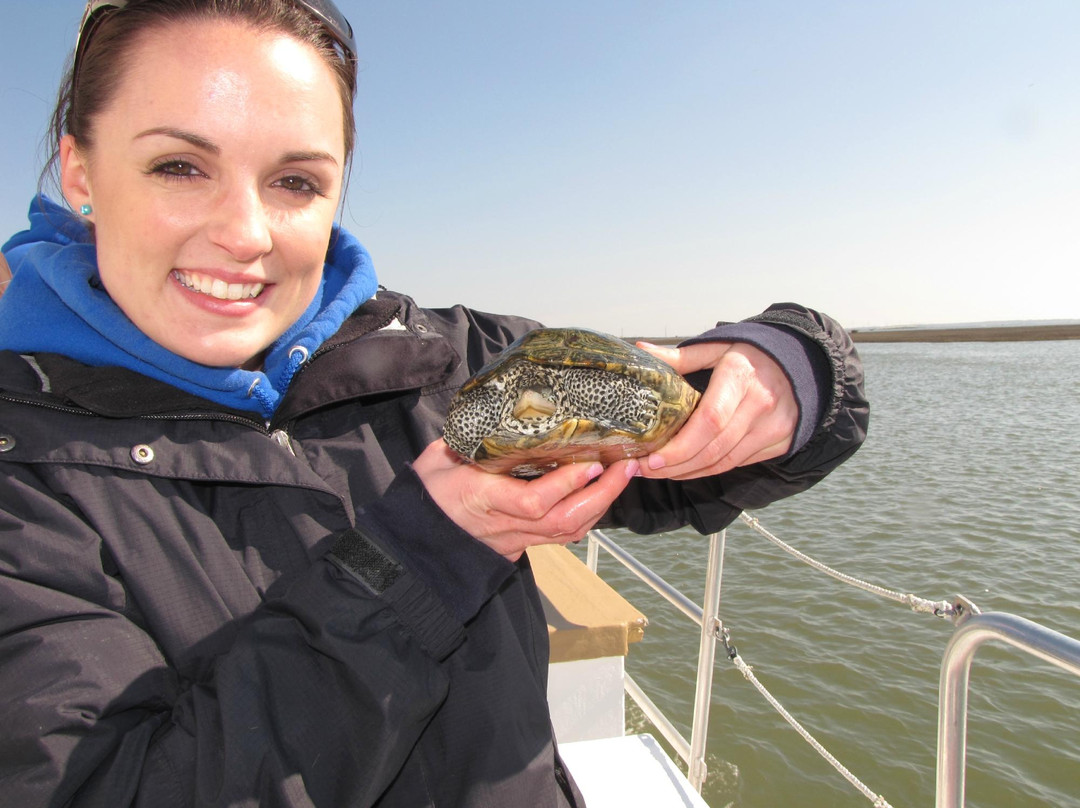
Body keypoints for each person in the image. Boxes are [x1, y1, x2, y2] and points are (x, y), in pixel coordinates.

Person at [0, 1, 869, 806]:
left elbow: (697, 454)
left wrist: (789, 368)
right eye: (179, 166)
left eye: (295, 181)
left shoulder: (442, 364)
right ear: (80, 172)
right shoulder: (24, 483)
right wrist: (422, 555)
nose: (246, 232)